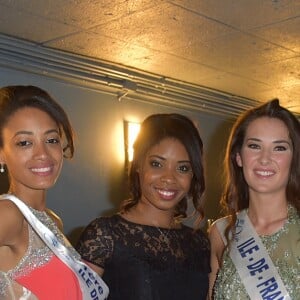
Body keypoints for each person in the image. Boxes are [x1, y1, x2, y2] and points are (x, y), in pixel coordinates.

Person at [76, 113, 211, 299]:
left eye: (183, 168)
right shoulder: (104, 235)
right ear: (138, 164)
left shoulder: (200, 243)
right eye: (157, 164)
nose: (169, 178)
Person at [0, 85, 108, 299]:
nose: (43, 154)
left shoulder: (52, 220)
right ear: (1, 154)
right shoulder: (9, 214)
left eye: (51, 140)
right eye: (24, 143)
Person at [208, 99, 300, 299]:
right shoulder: (221, 232)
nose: (265, 158)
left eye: (279, 148)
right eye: (254, 146)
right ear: (238, 156)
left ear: (294, 158)